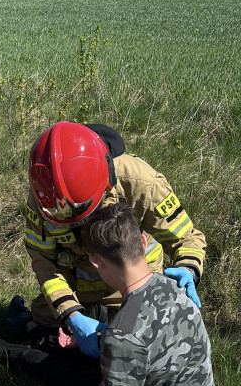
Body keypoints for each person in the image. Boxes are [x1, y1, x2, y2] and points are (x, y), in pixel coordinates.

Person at [0, 204, 214, 386]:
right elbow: (151, 340)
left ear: (96, 261)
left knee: (42, 363)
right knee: (68, 344)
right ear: (143, 243)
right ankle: (27, 328)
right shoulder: (177, 284)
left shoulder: (122, 336)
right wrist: (100, 341)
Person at [24, 121, 206, 347]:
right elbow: (43, 261)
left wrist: (187, 268)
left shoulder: (141, 183)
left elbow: (187, 238)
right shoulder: (45, 196)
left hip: (133, 281)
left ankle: (108, 314)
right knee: (48, 337)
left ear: (106, 181)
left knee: (141, 343)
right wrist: (71, 315)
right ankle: (86, 313)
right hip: (76, 282)